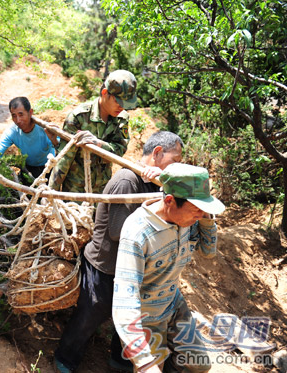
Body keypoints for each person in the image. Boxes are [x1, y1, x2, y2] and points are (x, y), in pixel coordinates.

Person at [54, 131, 184, 373]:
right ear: (157, 153)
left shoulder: (157, 183)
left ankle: (119, 359)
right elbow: (118, 231)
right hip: (105, 265)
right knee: (91, 314)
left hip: (133, 269)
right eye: (175, 160)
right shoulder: (127, 179)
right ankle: (65, 359)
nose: (177, 166)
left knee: (128, 317)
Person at [112, 163, 225, 372]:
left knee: (199, 363)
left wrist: (206, 215)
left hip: (173, 304)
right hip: (146, 317)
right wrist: (145, 362)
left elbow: (209, 252)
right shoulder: (138, 233)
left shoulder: (187, 220)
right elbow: (124, 303)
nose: (199, 216)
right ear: (170, 201)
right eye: (196, 210)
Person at [48, 69, 137, 194]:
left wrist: (98, 144)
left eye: (125, 103)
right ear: (105, 93)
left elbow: (119, 150)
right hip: (76, 192)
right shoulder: (78, 117)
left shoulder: (121, 119)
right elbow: (64, 159)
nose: (122, 107)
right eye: (118, 101)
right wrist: (50, 193)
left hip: (103, 191)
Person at [0, 97, 59, 197]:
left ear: (30, 112)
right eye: (14, 116)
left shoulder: (45, 129)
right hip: (28, 170)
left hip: (48, 171)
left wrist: (55, 141)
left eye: (21, 114)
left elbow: (61, 151)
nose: (18, 120)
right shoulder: (13, 132)